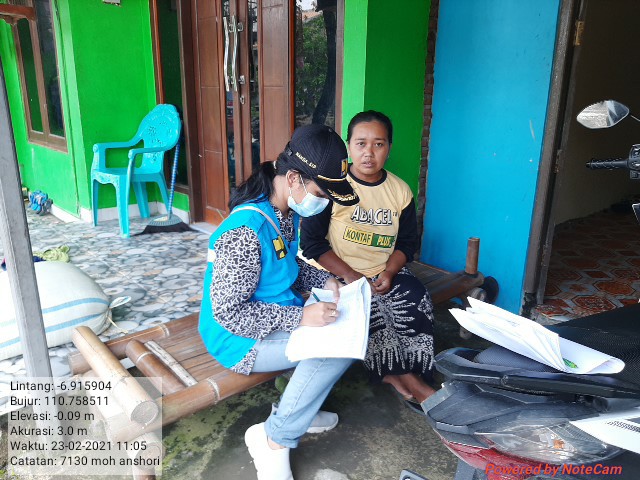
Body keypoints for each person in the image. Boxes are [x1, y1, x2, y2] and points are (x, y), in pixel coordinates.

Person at [199, 123, 359, 480]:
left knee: (343, 329)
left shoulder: (285, 213)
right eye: (321, 192)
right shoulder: (245, 231)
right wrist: (301, 319)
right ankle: (274, 439)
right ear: (294, 179)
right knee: (335, 347)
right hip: (238, 339)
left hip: (273, 320)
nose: (324, 202)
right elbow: (229, 313)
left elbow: (287, 266)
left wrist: (324, 279)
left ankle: (298, 410)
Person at [300, 111, 436, 409]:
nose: (369, 153)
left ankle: (402, 374)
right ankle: (413, 383)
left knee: (416, 298)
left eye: (379, 144)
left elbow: (407, 243)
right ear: (349, 146)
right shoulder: (331, 187)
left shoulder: (400, 191)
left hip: (382, 270)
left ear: (389, 148)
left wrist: (390, 271)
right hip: (337, 274)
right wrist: (351, 276)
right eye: (361, 143)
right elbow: (311, 243)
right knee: (369, 310)